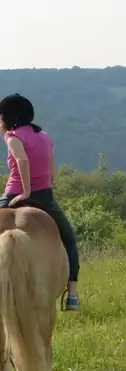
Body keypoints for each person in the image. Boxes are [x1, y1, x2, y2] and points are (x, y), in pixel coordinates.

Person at [0, 93, 81, 311]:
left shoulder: (12, 136)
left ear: (8, 116)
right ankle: (72, 294)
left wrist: (26, 192)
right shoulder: (45, 136)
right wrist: (41, 188)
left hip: (16, 194)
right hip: (45, 195)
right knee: (69, 240)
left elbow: (22, 160)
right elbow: (51, 172)